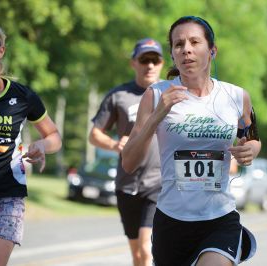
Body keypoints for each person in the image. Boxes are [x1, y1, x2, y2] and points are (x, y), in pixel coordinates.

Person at [122, 16, 261, 266]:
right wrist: (157, 116)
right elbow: (129, 162)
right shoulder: (155, 95)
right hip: (172, 220)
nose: (186, 49)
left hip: (220, 217)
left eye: (195, 42)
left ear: (212, 51)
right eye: (178, 44)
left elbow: (251, 137)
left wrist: (251, 149)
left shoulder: (237, 97)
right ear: (173, 55)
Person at [0, 19, 62, 266]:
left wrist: (41, 146)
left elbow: (54, 136)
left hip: (5, 199)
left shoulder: (22, 96)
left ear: (0, 50)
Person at [88, 38, 164, 266]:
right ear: (134, 63)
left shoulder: (168, 94)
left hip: (159, 183)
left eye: (155, 59)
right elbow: (94, 134)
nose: (149, 65)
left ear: (161, 63)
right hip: (126, 183)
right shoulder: (118, 95)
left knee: (146, 248)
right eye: (144, 59)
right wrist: (114, 145)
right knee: (137, 256)